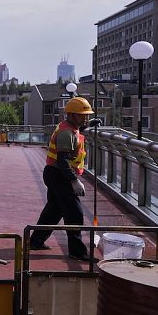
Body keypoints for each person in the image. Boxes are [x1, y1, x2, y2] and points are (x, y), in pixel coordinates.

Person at [29, 96, 93, 260]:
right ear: (72, 115)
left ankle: (35, 241)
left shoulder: (70, 128)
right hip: (60, 175)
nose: (86, 118)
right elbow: (63, 160)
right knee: (75, 213)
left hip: (54, 173)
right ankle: (77, 252)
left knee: (53, 211)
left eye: (87, 115)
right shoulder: (66, 133)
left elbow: (77, 134)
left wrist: (89, 125)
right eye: (82, 115)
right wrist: (74, 181)